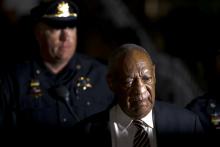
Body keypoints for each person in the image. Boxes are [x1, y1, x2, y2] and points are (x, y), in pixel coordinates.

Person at [0, 0, 114, 129]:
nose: (66, 37)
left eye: (71, 27)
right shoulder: (14, 81)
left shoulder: (101, 75)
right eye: (56, 28)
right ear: (39, 33)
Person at [73, 43, 204, 147]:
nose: (140, 89)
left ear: (154, 74)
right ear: (111, 82)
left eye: (146, 78)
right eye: (129, 81)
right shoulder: (86, 133)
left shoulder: (187, 125)